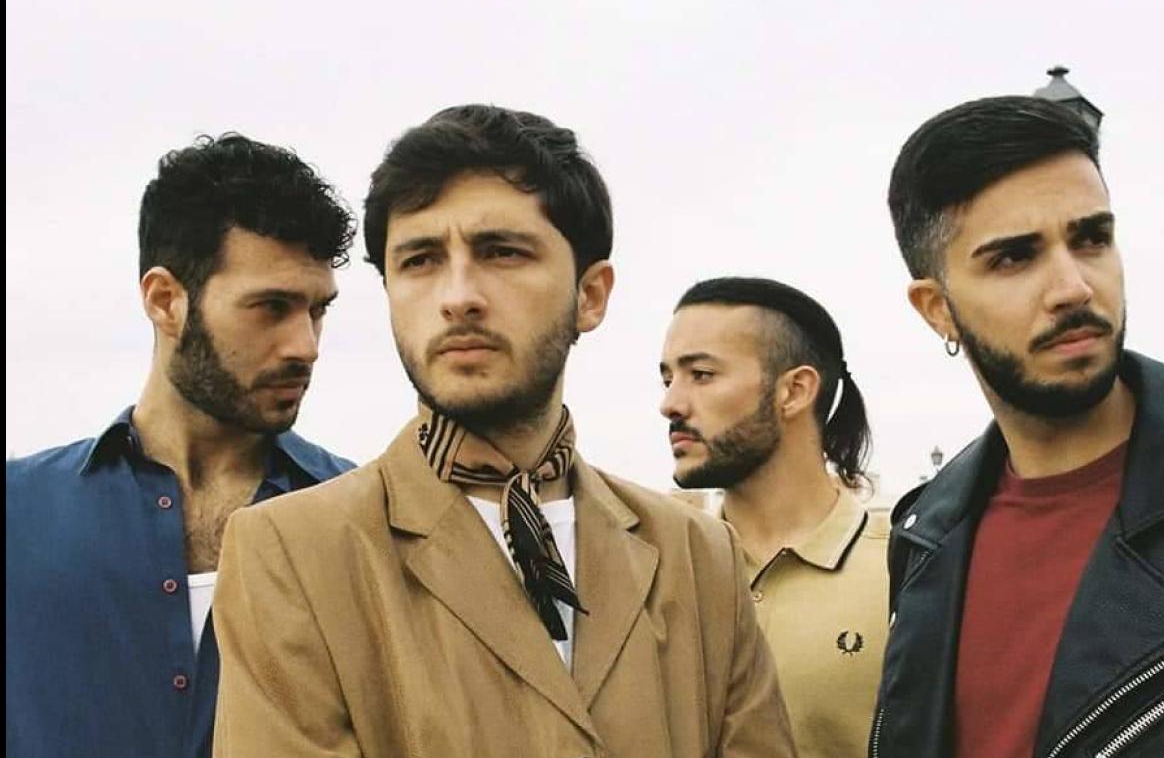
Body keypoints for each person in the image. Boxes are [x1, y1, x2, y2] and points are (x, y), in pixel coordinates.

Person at [210, 105, 796, 758]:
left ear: (591, 295)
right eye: (420, 260)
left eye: (502, 252)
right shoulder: (291, 552)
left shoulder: (700, 555)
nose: (458, 295)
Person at [872, 96, 1164, 758]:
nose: (1073, 286)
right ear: (938, 309)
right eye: (1014, 258)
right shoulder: (924, 541)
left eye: (1091, 239)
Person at [6, 134, 357, 758]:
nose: (305, 345)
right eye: (271, 307)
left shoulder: (364, 523)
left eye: (317, 310)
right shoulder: (19, 512)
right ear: (165, 301)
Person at [660, 276, 890, 758]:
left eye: (701, 374)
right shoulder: (654, 573)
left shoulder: (905, 573)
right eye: (667, 379)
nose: (670, 404)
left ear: (794, 391)